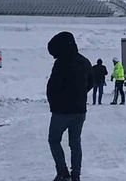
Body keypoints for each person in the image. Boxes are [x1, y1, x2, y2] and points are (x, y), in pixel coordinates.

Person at [47, 31, 93, 181]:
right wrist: (80, 95)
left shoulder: (61, 63)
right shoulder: (85, 61)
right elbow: (91, 83)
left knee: (54, 140)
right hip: (80, 110)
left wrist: (54, 103)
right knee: (75, 143)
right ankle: (76, 175)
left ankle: (62, 172)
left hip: (61, 111)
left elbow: (53, 86)